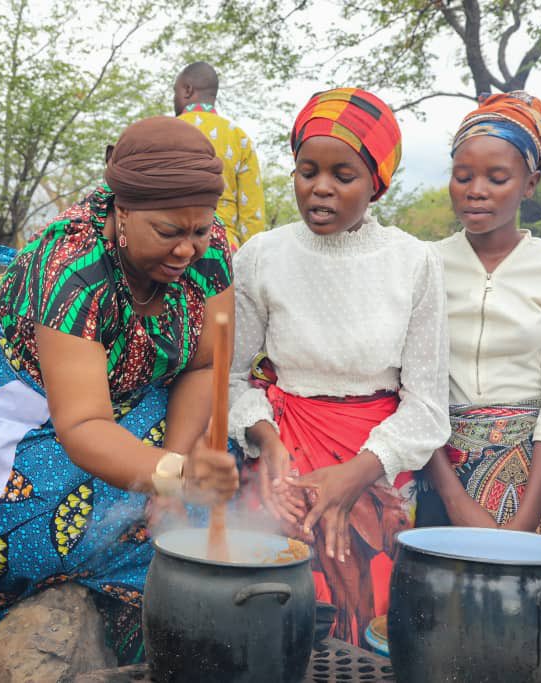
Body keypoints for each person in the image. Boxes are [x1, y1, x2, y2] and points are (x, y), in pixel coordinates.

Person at [0, 116, 240, 664]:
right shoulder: (74, 270)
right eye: (169, 233)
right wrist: (173, 476)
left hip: (128, 385)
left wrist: (174, 464)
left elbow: (204, 365)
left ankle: (131, 643)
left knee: (193, 513)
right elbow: (83, 426)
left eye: (198, 230)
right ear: (122, 212)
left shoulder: (209, 246)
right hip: (19, 393)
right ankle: (9, 639)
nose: (188, 250)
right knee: (34, 536)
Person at [228, 88, 450, 647]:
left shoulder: (414, 264)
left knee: (366, 622)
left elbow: (425, 406)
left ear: (376, 182)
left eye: (342, 174)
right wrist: (269, 447)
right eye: (307, 170)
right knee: (274, 613)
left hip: (376, 467)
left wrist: (355, 477)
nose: (319, 187)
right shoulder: (261, 257)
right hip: (281, 466)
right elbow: (232, 377)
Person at [416, 92, 541, 539]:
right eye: (463, 176)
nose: (476, 190)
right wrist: (454, 500)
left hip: (533, 476)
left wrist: (526, 518)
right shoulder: (425, 264)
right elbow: (414, 387)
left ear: (529, 184)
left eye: (497, 178)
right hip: (439, 470)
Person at [174, 61, 265, 250]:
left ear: (187, 90)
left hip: (173, 245)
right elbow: (252, 215)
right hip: (224, 246)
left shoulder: (165, 131)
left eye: (175, 92)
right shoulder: (239, 137)